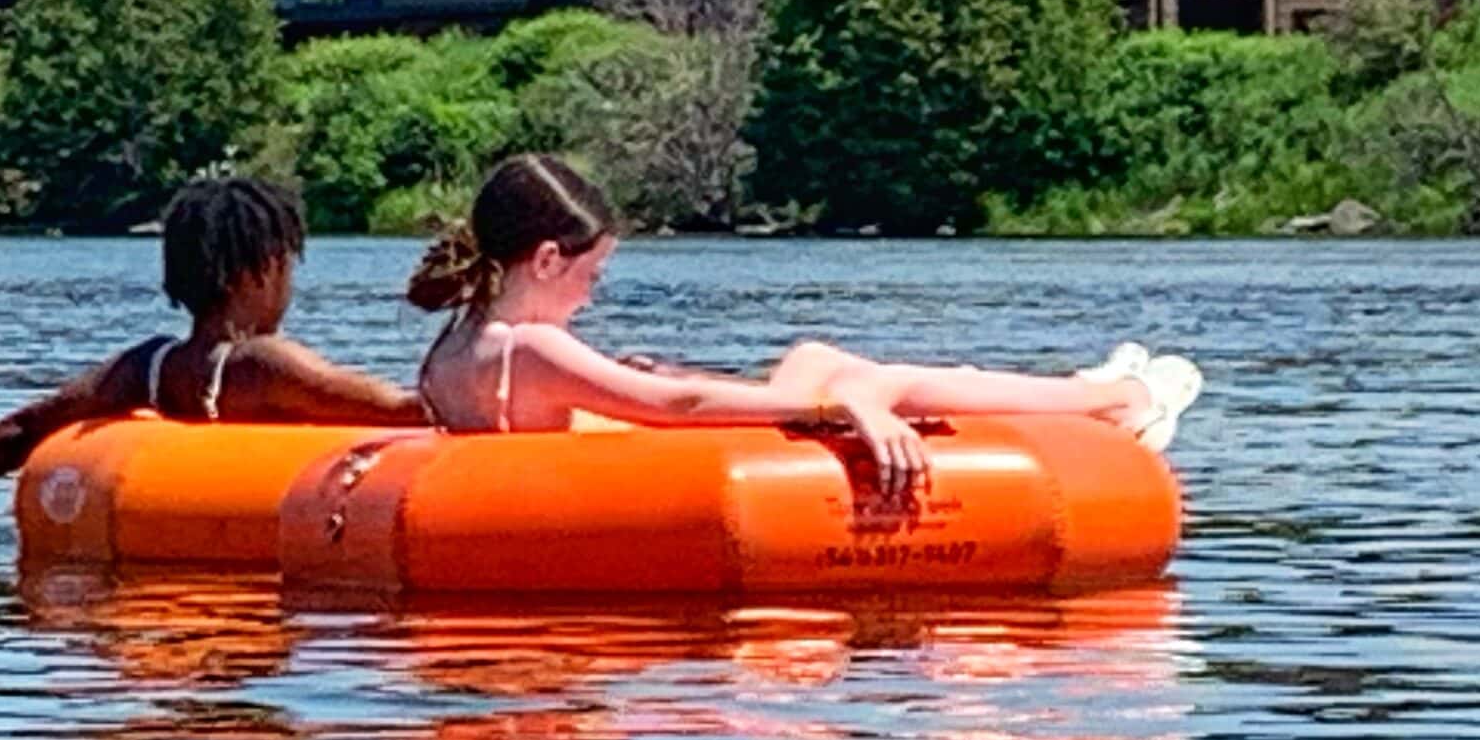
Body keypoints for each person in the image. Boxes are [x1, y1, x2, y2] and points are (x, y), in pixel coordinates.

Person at [409, 156, 1201, 485]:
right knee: (868, 381)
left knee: (816, 351)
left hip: (635, 464)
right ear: (547, 260)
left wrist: (657, 380)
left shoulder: (453, 348)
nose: (591, 296)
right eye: (591, 276)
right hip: (683, 469)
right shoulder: (532, 344)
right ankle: (1116, 402)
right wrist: (837, 410)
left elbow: (625, 406)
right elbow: (674, 411)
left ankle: (1098, 392)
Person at [0, 178, 422, 545]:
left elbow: (24, 428)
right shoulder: (266, 367)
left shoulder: (147, 370)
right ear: (263, 269)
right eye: (289, 267)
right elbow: (403, 411)